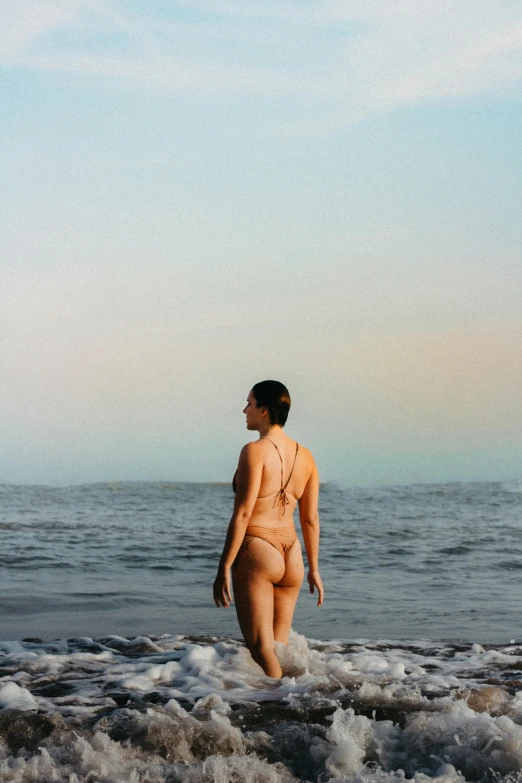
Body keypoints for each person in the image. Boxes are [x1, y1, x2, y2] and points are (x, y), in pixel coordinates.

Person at [213, 380, 324, 678]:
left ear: (263, 410)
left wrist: (224, 566)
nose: (244, 410)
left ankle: (280, 702)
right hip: (292, 557)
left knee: (261, 647)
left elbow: (244, 511)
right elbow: (310, 519)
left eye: (249, 403)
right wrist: (314, 569)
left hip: (259, 549)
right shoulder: (307, 456)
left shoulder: (253, 451)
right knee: (278, 645)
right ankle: (290, 702)